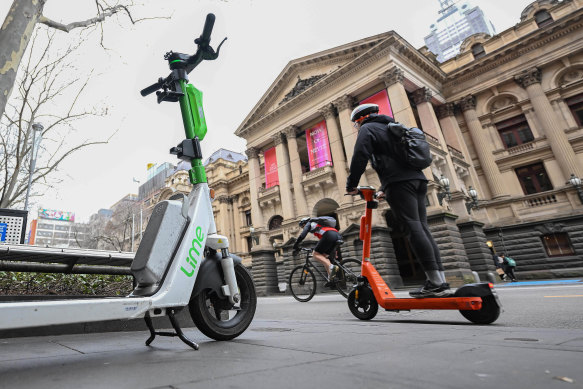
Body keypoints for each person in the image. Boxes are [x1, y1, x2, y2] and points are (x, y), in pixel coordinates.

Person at [345, 103, 451, 298]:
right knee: (422, 227)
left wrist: (351, 184)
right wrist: (384, 188)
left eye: (356, 123)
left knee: (413, 228)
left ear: (361, 119)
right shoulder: (393, 127)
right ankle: (440, 280)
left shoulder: (368, 128)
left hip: (399, 183)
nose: (357, 127)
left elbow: (360, 155)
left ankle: (435, 283)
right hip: (418, 180)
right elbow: (397, 158)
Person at [292, 216, 342, 286]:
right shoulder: (319, 225)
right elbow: (324, 242)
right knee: (324, 257)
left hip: (329, 235)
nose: (303, 228)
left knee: (315, 255)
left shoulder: (309, 223)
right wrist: (334, 250)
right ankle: (330, 278)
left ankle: (332, 267)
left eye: (302, 226)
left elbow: (303, 235)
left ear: (304, 223)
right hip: (337, 235)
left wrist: (296, 244)